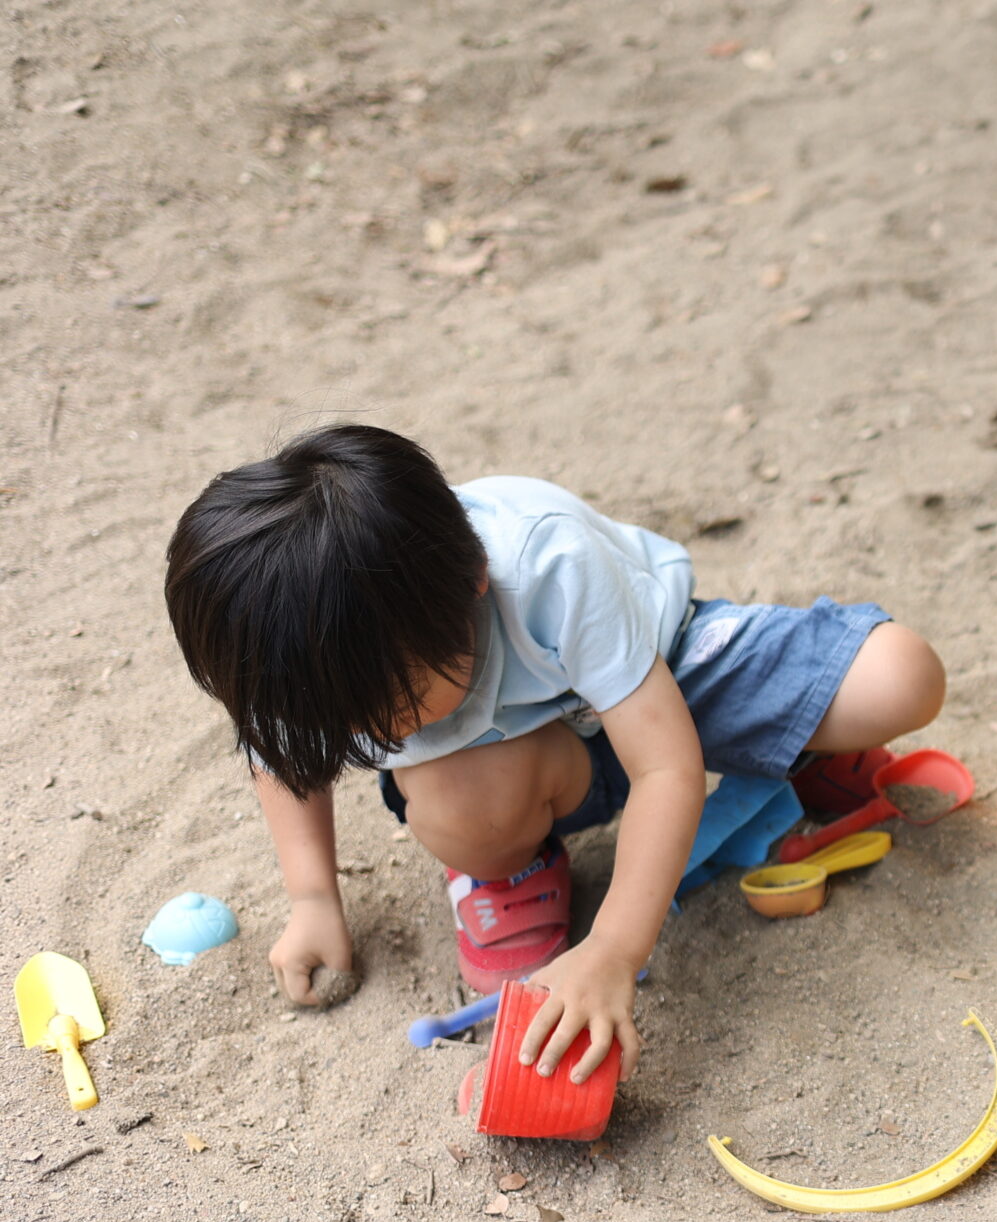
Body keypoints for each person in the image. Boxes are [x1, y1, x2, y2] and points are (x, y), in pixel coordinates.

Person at [165, 425, 945, 1078]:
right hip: (513, 768)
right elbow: (281, 756)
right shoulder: (304, 661)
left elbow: (665, 765)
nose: (384, 736)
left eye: (393, 712)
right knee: (454, 794)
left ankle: (788, 742)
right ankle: (511, 866)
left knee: (900, 678)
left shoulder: (548, 563)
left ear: (473, 586)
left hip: (658, 680)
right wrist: (312, 899)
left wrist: (611, 948)